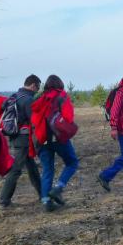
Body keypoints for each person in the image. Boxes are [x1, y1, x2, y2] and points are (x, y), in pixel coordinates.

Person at [30, 75, 79, 211]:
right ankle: (58, 188)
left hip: (41, 139)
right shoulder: (62, 96)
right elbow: (68, 117)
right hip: (58, 138)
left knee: (47, 170)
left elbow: (33, 119)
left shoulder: (39, 98)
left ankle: (46, 202)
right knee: (72, 162)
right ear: (59, 84)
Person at [0, 74, 43, 208]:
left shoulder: (14, 96)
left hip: (14, 136)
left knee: (32, 167)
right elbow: (34, 121)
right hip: (23, 139)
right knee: (16, 169)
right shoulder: (28, 99)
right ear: (33, 85)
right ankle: (4, 200)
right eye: (37, 88)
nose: (37, 91)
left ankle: (43, 193)